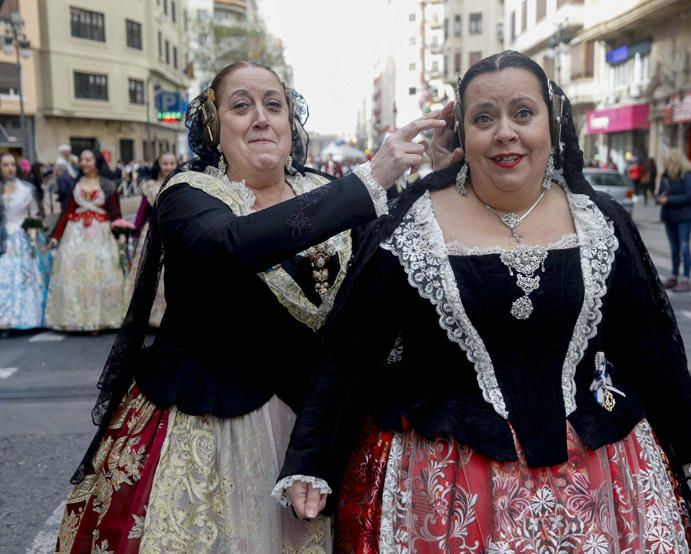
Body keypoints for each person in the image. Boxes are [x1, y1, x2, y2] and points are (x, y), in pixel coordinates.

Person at [278, 51, 691, 552]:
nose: (505, 133)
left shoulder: (599, 220)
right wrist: (310, 458)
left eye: (523, 113)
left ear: (552, 124)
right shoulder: (412, 226)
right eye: (484, 118)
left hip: (604, 478)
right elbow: (351, 350)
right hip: (447, 484)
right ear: (462, 133)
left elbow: (649, 345)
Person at [55, 61, 445, 553]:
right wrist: (370, 180)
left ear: (289, 123)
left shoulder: (326, 190)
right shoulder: (189, 195)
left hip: (318, 430)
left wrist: (450, 177)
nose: (261, 118)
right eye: (241, 106)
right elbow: (232, 243)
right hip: (209, 427)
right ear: (215, 128)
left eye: (273, 105)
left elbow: (397, 282)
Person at [45, 149, 126, 331]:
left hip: (102, 235)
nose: (84, 163)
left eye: (88, 159)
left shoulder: (108, 185)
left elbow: (116, 214)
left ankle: (103, 318)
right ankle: (75, 318)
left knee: (103, 272)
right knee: (74, 273)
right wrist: (55, 237)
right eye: (82, 159)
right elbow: (66, 213)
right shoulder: (76, 184)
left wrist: (121, 233)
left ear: (96, 162)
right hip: (75, 235)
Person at [122, 151, 178, 327]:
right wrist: (134, 232)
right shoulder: (149, 186)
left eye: (171, 163)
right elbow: (142, 212)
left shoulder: (183, 183)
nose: (168, 166)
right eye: (165, 163)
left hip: (175, 233)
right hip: (153, 233)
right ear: (158, 165)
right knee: (150, 272)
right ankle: (149, 315)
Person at [0, 153, 46, 330]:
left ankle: (24, 318)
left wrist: (34, 226)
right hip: (3, 237)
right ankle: (4, 320)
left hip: (22, 238)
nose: (10, 168)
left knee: (25, 278)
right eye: (5, 165)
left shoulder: (26, 189)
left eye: (12, 164)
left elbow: (34, 212)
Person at [657, 149, 691, 293]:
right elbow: (660, 193)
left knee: (684, 247)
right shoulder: (666, 174)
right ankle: (674, 276)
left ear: (673, 160)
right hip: (670, 216)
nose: (664, 163)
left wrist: (669, 199)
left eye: (666, 160)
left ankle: (686, 279)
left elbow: (690, 196)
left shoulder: (687, 174)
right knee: (674, 249)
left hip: (684, 216)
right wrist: (659, 198)